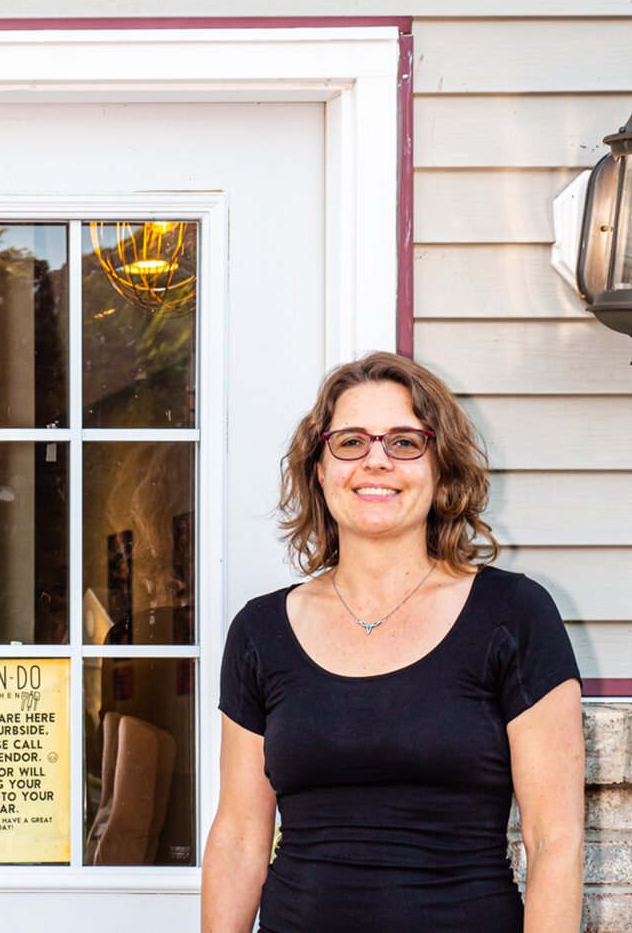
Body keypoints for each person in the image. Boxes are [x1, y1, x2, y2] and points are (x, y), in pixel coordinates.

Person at [202, 351, 584, 933]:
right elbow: (237, 840)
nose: (376, 460)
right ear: (319, 470)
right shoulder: (259, 631)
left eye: (404, 442)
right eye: (350, 442)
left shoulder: (514, 614)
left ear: (441, 469)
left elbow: (554, 840)